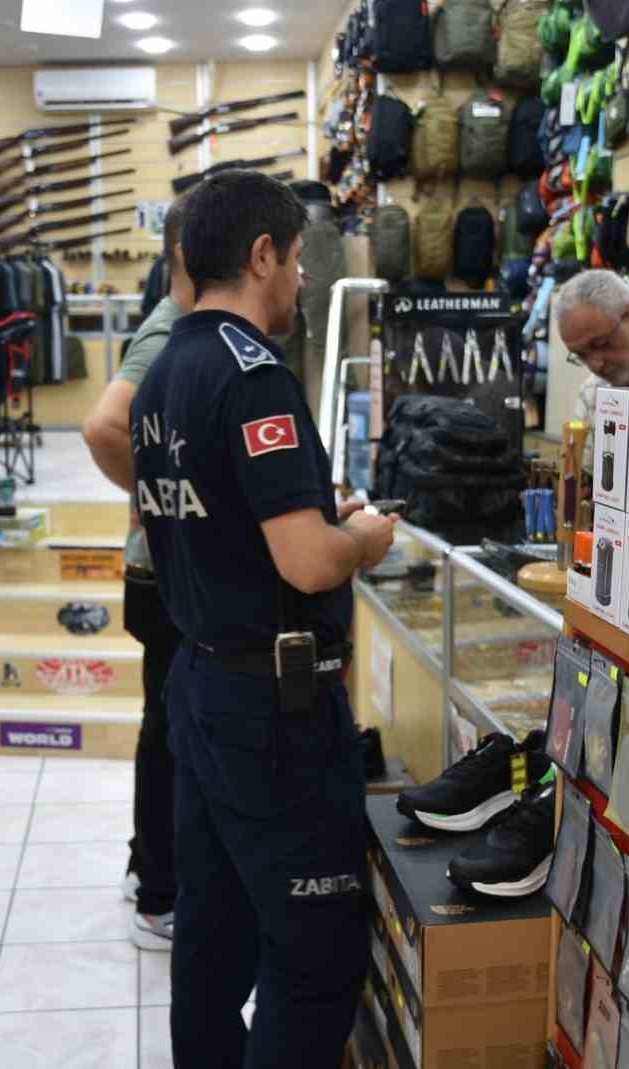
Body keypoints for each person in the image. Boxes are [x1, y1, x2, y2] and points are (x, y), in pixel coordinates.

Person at [130, 170, 398, 1068]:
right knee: (315, 955)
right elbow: (308, 560)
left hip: (202, 681)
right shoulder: (253, 377)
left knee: (213, 932)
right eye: (295, 261)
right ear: (260, 256)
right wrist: (360, 535)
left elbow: (220, 514)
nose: (301, 281)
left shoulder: (165, 369)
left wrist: (316, 521)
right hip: (271, 711)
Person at [81, 193, 192, 951]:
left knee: (166, 724)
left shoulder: (176, 323)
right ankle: (158, 893)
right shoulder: (171, 329)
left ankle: (145, 868)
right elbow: (103, 425)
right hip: (162, 573)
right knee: (172, 731)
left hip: (157, 570)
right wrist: (163, 502)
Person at [554, 268, 629, 467]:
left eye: (602, 344)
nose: (595, 365)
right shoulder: (591, 394)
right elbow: (585, 481)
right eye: (581, 356)